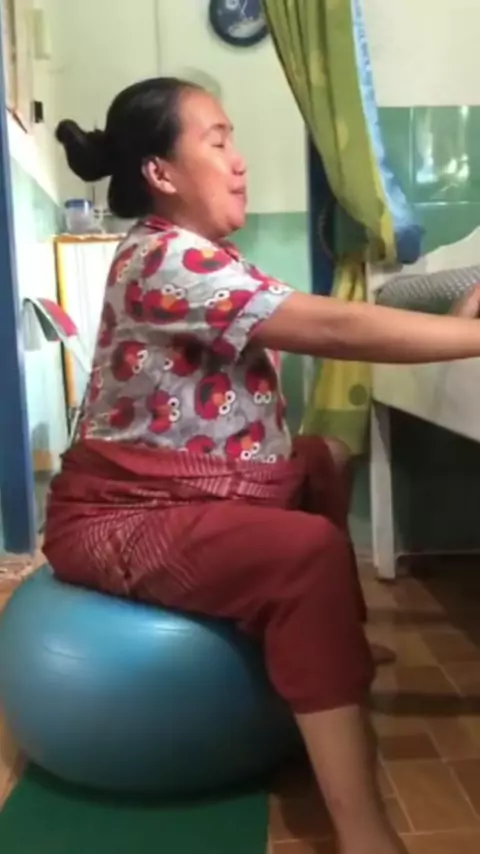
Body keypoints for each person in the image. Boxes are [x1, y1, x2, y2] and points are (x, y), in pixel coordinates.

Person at [45, 78, 480, 854]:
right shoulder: (165, 258)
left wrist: (451, 327)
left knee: (321, 460)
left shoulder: (207, 257)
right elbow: (334, 327)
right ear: (160, 172)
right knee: (304, 552)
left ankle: (333, 649)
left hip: (199, 494)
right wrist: (469, 339)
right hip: (124, 514)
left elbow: (331, 325)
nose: (239, 160)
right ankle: (363, 830)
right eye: (217, 141)